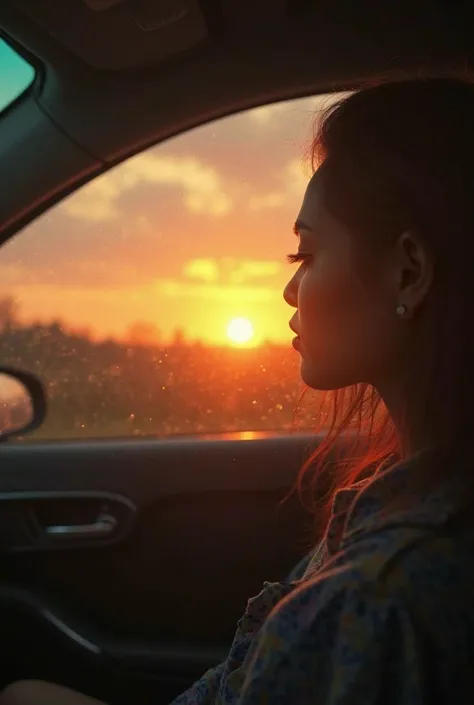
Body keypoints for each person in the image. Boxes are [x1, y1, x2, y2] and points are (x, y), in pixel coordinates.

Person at [4, 76, 474, 704]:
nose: (289, 290)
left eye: (305, 253)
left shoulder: (377, 600)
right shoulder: (408, 504)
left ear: (409, 272)